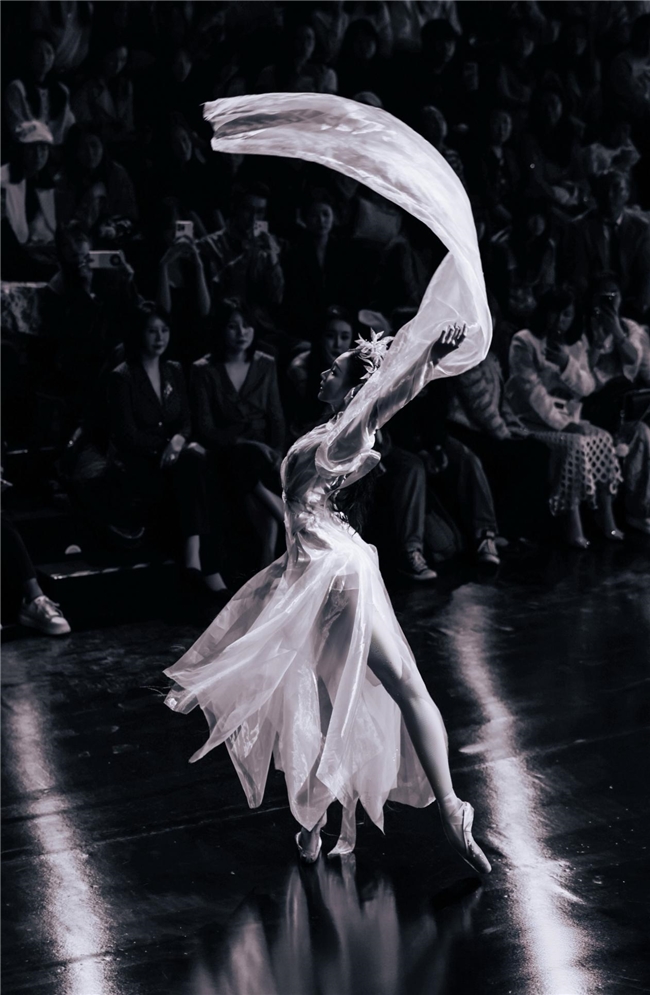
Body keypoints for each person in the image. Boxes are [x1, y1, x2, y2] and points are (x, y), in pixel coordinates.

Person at [165, 92, 492, 871]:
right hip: (329, 569)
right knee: (365, 691)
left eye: (335, 361)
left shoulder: (338, 433)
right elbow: (381, 401)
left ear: (345, 381)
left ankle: (412, 813)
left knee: (353, 695)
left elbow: (382, 400)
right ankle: (405, 812)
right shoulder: (333, 434)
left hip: (326, 575)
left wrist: (421, 358)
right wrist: (415, 363)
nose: (323, 363)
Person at [107, 303, 224, 593]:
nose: (160, 337)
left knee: (196, 466)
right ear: (139, 334)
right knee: (194, 466)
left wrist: (179, 441)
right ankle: (206, 568)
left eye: (164, 330)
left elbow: (185, 420)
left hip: (176, 459)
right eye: (152, 331)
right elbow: (127, 436)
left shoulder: (173, 369)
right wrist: (167, 447)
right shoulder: (122, 376)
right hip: (142, 462)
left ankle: (196, 561)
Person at [506, 288, 623, 548]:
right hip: (531, 419)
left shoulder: (576, 344)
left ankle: (605, 515)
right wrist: (564, 425)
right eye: (556, 312)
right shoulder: (524, 341)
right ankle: (572, 520)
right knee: (575, 445)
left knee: (604, 438)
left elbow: (587, 386)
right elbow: (533, 392)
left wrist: (565, 364)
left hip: (568, 416)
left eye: (567, 314)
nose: (560, 320)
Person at [191, 297, 286, 568]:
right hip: (227, 447)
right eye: (233, 326)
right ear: (221, 330)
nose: (241, 333)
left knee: (254, 466)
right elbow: (205, 427)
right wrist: (249, 444)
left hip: (264, 449)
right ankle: (286, 520)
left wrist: (277, 451)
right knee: (241, 458)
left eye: (246, 325)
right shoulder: (204, 369)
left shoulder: (265, 363)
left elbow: (276, 416)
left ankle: (267, 553)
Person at [1, 120, 57, 279]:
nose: (38, 155)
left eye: (43, 148)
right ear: (20, 150)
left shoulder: (48, 183)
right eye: (32, 148)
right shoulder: (2, 181)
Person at [4, 33, 76, 147]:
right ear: (29, 55)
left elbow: (68, 126)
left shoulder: (62, 90)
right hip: (28, 150)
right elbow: (18, 128)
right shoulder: (17, 88)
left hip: (56, 151)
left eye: (49, 52)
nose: (44, 58)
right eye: (38, 52)